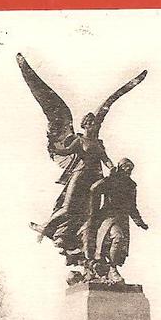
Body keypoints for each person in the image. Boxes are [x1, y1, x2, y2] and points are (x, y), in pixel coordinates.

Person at [29, 112, 113, 265]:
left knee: (89, 213)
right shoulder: (80, 141)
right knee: (68, 208)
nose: (94, 126)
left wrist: (112, 167)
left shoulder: (98, 143)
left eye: (95, 124)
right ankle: (46, 226)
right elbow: (65, 151)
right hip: (79, 176)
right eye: (91, 123)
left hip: (93, 179)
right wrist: (52, 147)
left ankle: (83, 243)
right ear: (86, 124)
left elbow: (105, 159)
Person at [83, 158, 148, 283]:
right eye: (126, 168)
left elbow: (132, 206)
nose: (128, 171)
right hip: (109, 217)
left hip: (123, 219)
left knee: (120, 243)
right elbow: (94, 189)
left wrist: (140, 222)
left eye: (130, 170)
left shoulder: (131, 185)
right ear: (120, 168)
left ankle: (112, 267)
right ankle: (112, 269)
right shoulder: (111, 181)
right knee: (117, 237)